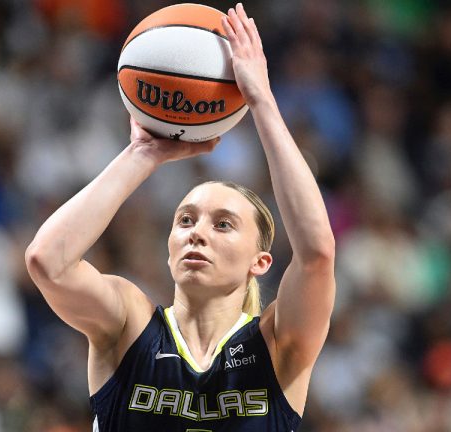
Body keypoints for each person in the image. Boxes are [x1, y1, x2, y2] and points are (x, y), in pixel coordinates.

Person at [25, 4, 336, 431]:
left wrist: (261, 99)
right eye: (185, 220)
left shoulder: (277, 344)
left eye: (223, 223)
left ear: (259, 262)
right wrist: (141, 155)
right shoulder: (129, 325)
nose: (197, 234)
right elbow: (47, 261)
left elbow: (317, 253)